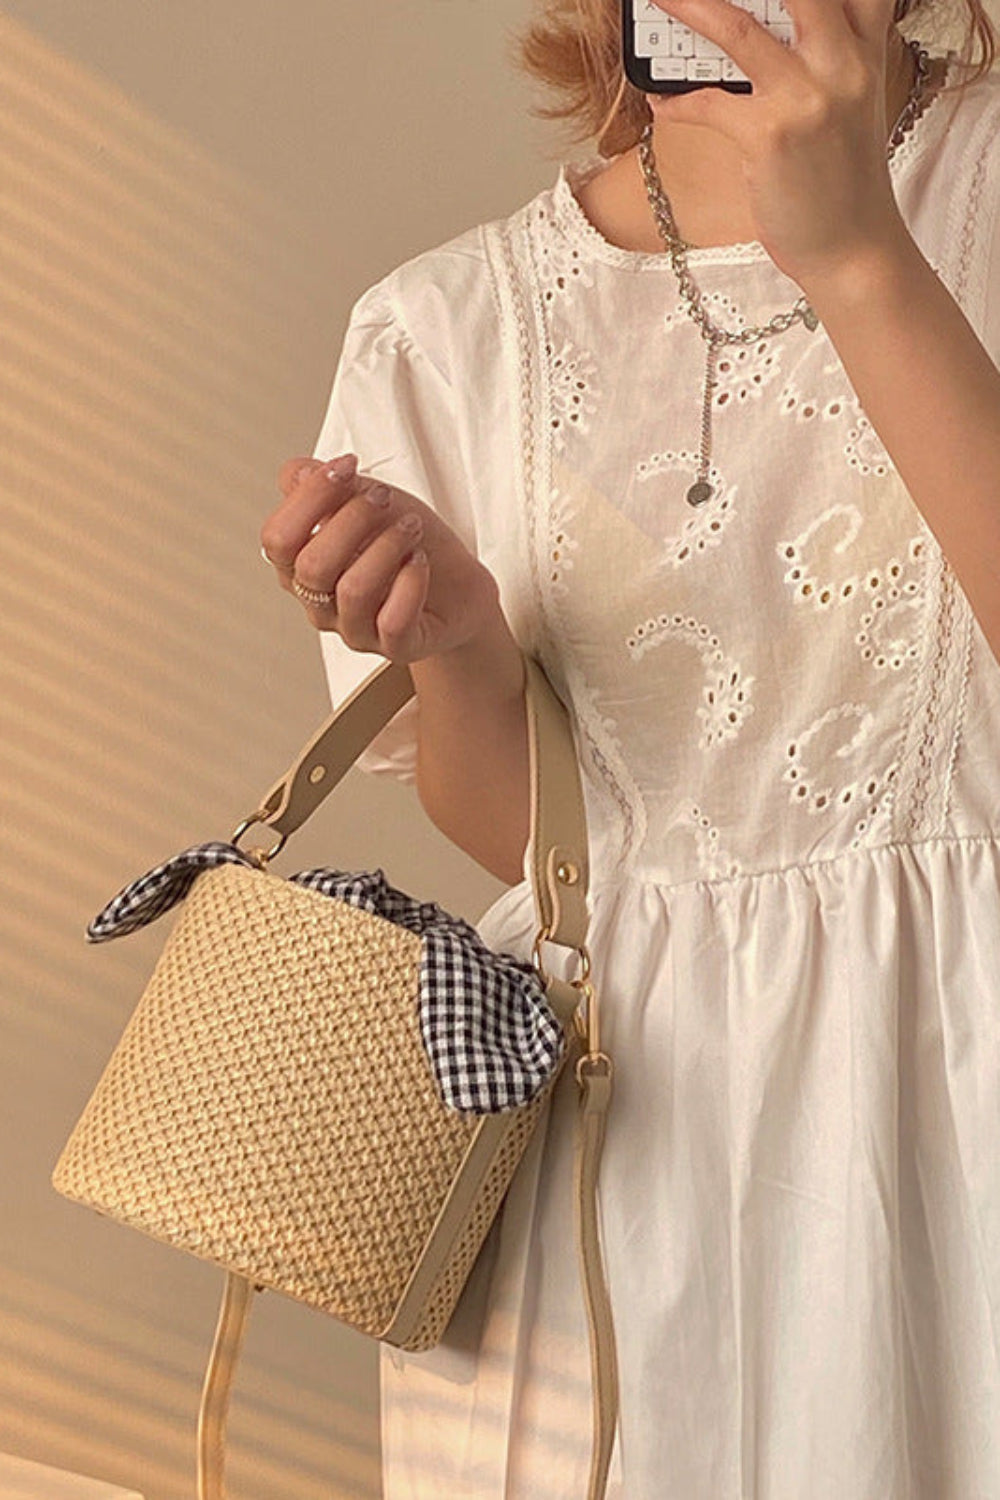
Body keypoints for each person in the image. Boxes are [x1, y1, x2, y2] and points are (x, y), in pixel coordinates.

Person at [259, 0, 1000, 1489]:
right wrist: (462, 648)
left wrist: (861, 259)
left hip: (959, 1139)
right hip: (621, 1193)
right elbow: (549, 855)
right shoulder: (446, 322)